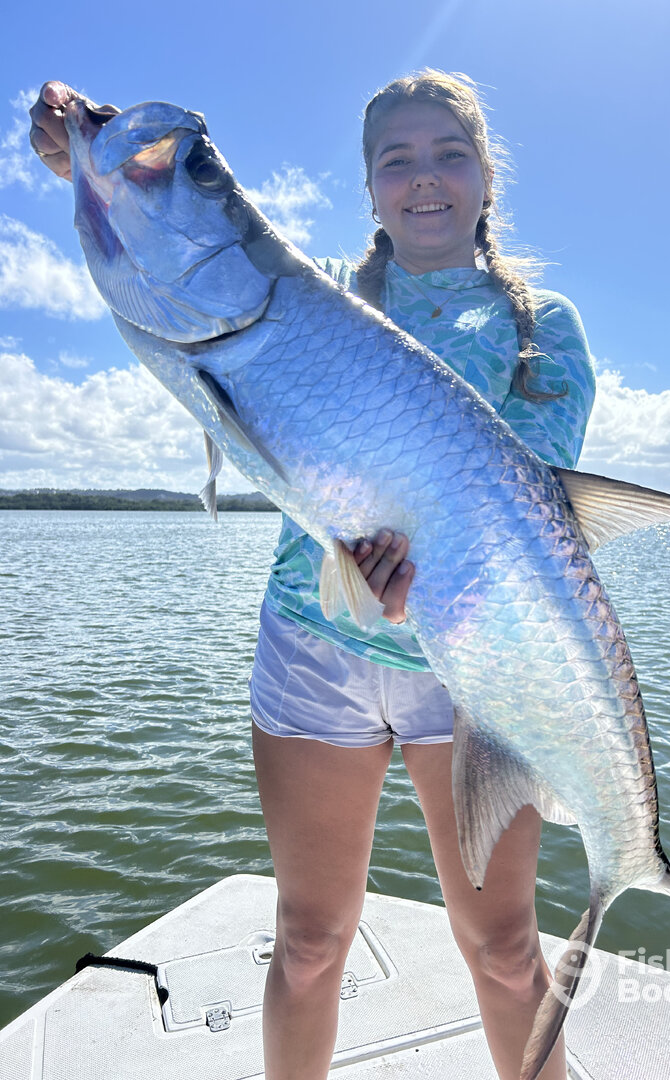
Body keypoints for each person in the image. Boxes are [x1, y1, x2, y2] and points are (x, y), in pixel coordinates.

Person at [30, 71, 595, 1080]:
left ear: (486, 174)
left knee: (507, 954)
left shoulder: (541, 325)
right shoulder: (316, 289)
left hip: (468, 668)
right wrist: (79, 161)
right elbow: (180, 252)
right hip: (311, 652)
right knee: (306, 942)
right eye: (396, 160)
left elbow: (528, 516)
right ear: (370, 187)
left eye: (449, 153)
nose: (425, 178)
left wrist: (428, 581)